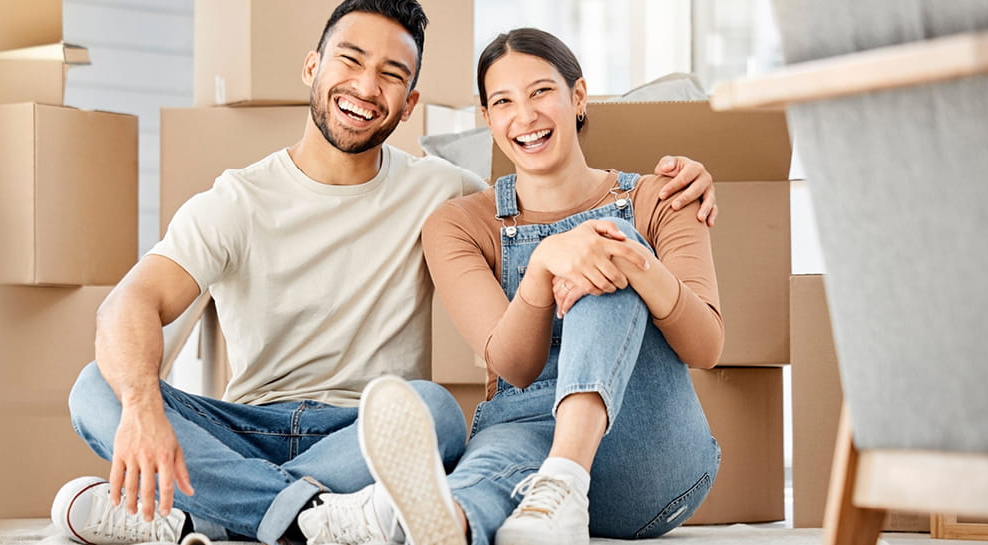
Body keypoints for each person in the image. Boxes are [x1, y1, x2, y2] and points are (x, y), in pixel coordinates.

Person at [52, 2, 718, 543]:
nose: (367, 87)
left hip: (367, 431)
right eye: (350, 59)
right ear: (313, 65)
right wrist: (142, 408)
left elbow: (555, 183)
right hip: (248, 421)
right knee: (95, 387)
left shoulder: (445, 194)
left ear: (410, 102)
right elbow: (126, 306)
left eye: (392, 74)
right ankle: (304, 515)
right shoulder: (237, 199)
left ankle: (199, 513)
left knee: (434, 411)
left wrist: (686, 176)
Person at [299, 28, 723, 545]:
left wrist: (634, 262)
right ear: (488, 118)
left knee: (605, 246)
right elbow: (516, 368)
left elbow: (705, 347)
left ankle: (564, 477)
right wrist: (543, 266)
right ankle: (427, 522)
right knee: (483, 476)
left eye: (542, 91)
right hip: (524, 432)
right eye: (503, 101)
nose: (525, 116)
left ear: (579, 97)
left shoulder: (664, 196)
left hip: (649, 452)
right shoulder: (460, 223)